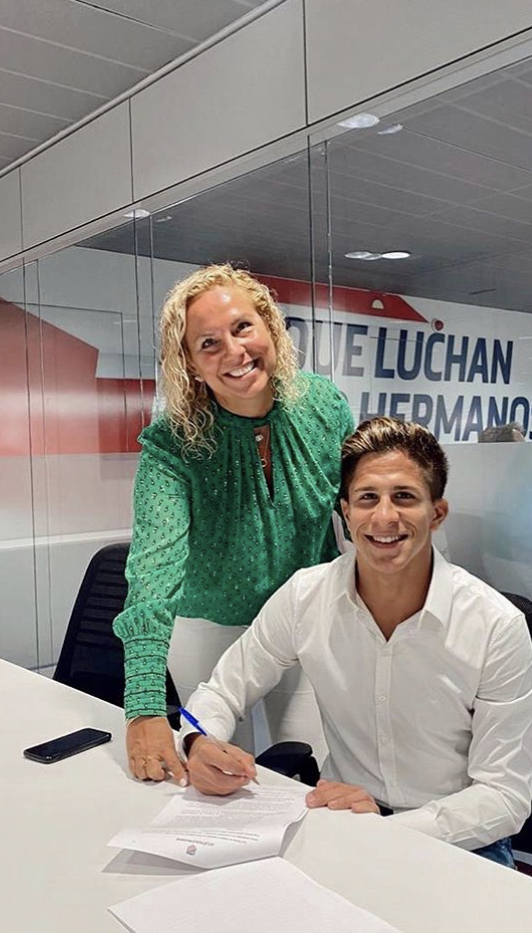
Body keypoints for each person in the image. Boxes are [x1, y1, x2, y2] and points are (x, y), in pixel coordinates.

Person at [181, 417, 532, 865]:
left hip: (458, 838)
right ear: (346, 512)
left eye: (404, 497)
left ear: (437, 513)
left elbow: (504, 797)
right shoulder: (305, 596)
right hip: (342, 816)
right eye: (368, 497)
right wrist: (197, 741)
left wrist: (385, 832)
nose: (384, 517)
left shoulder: (495, 626)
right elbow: (221, 691)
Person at [113, 264, 354, 785]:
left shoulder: (324, 407)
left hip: (303, 620)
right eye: (209, 344)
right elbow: (153, 572)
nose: (234, 352)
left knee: (316, 768)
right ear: (190, 364)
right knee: (216, 774)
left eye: (243, 327)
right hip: (208, 627)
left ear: (269, 325)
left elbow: (358, 516)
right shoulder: (172, 444)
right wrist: (144, 706)